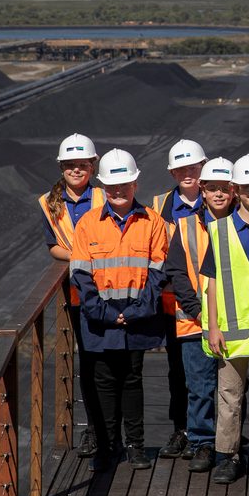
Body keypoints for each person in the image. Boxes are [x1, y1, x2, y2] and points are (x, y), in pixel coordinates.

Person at [168, 154, 249, 485]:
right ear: (238, 189)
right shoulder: (219, 230)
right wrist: (211, 327)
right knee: (229, 396)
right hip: (231, 331)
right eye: (248, 186)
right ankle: (228, 456)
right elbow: (210, 285)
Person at [68, 150, 174, 473]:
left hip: (135, 319)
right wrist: (104, 313)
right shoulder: (88, 224)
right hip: (101, 320)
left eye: (124, 184)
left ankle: (135, 446)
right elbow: (80, 274)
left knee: (131, 379)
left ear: (135, 183)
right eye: (112, 186)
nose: (118, 191)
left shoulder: (152, 222)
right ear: (103, 187)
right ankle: (108, 446)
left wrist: (136, 311)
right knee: (103, 381)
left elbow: (159, 271)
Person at [37, 133, 106, 459]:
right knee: (91, 366)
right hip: (79, 297)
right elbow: (53, 247)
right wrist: (82, 256)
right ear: (62, 168)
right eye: (70, 166)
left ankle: (114, 432)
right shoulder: (48, 203)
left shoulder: (105, 197)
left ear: (92, 166)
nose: (77, 171)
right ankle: (95, 431)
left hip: (111, 290)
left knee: (114, 366)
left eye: (82, 165)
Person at [165, 156, 233, 474]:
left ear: (233, 191)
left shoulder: (242, 227)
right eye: (213, 188)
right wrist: (197, 310)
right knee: (200, 387)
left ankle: (228, 445)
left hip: (234, 324)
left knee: (230, 390)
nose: (218, 194)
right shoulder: (186, 226)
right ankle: (203, 443)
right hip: (194, 323)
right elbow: (177, 272)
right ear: (203, 190)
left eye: (224, 188)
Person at [151, 138, 209, 460]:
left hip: (212, 302)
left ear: (202, 167)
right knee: (177, 370)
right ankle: (181, 430)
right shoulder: (161, 205)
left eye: (193, 166)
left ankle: (211, 433)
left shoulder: (216, 199)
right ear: (172, 172)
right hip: (174, 304)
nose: (188, 173)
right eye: (181, 168)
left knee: (213, 370)